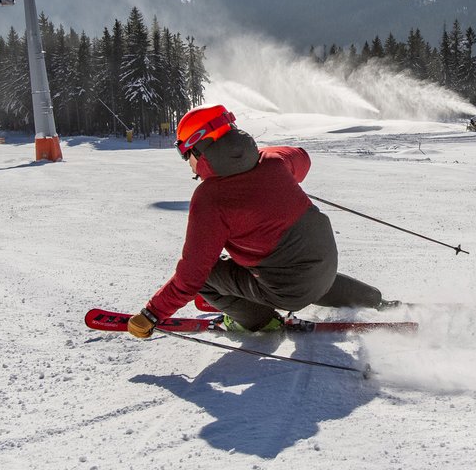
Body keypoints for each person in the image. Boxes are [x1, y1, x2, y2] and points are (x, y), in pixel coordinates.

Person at [127, 104, 397, 338]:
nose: (187, 163)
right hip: (325, 265)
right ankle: (374, 300)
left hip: (290, 289)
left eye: (185, 155)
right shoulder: (273, 161)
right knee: (298, 268)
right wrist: (256, 163)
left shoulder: (211, 198)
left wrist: (152, 314)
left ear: (200, 149)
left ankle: (260, 321)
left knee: (208, 278)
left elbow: (191, 277)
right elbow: (302, 158)